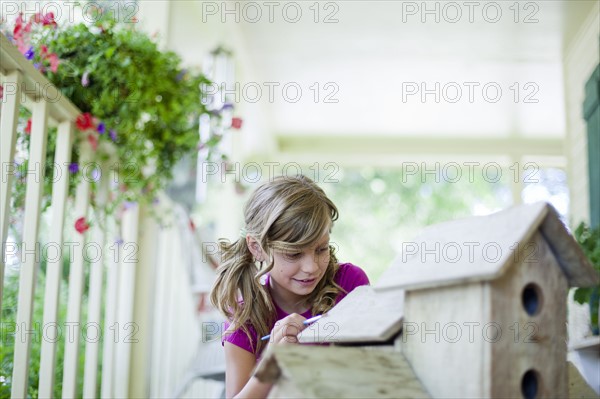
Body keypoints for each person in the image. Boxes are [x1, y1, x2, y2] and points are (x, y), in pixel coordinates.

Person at [210, 175, 370, 399]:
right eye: (294, 254)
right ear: (257, 248)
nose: (311, 267)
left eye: (321, 249)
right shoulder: (245, 317)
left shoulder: (349, 285)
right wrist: (273, 360)